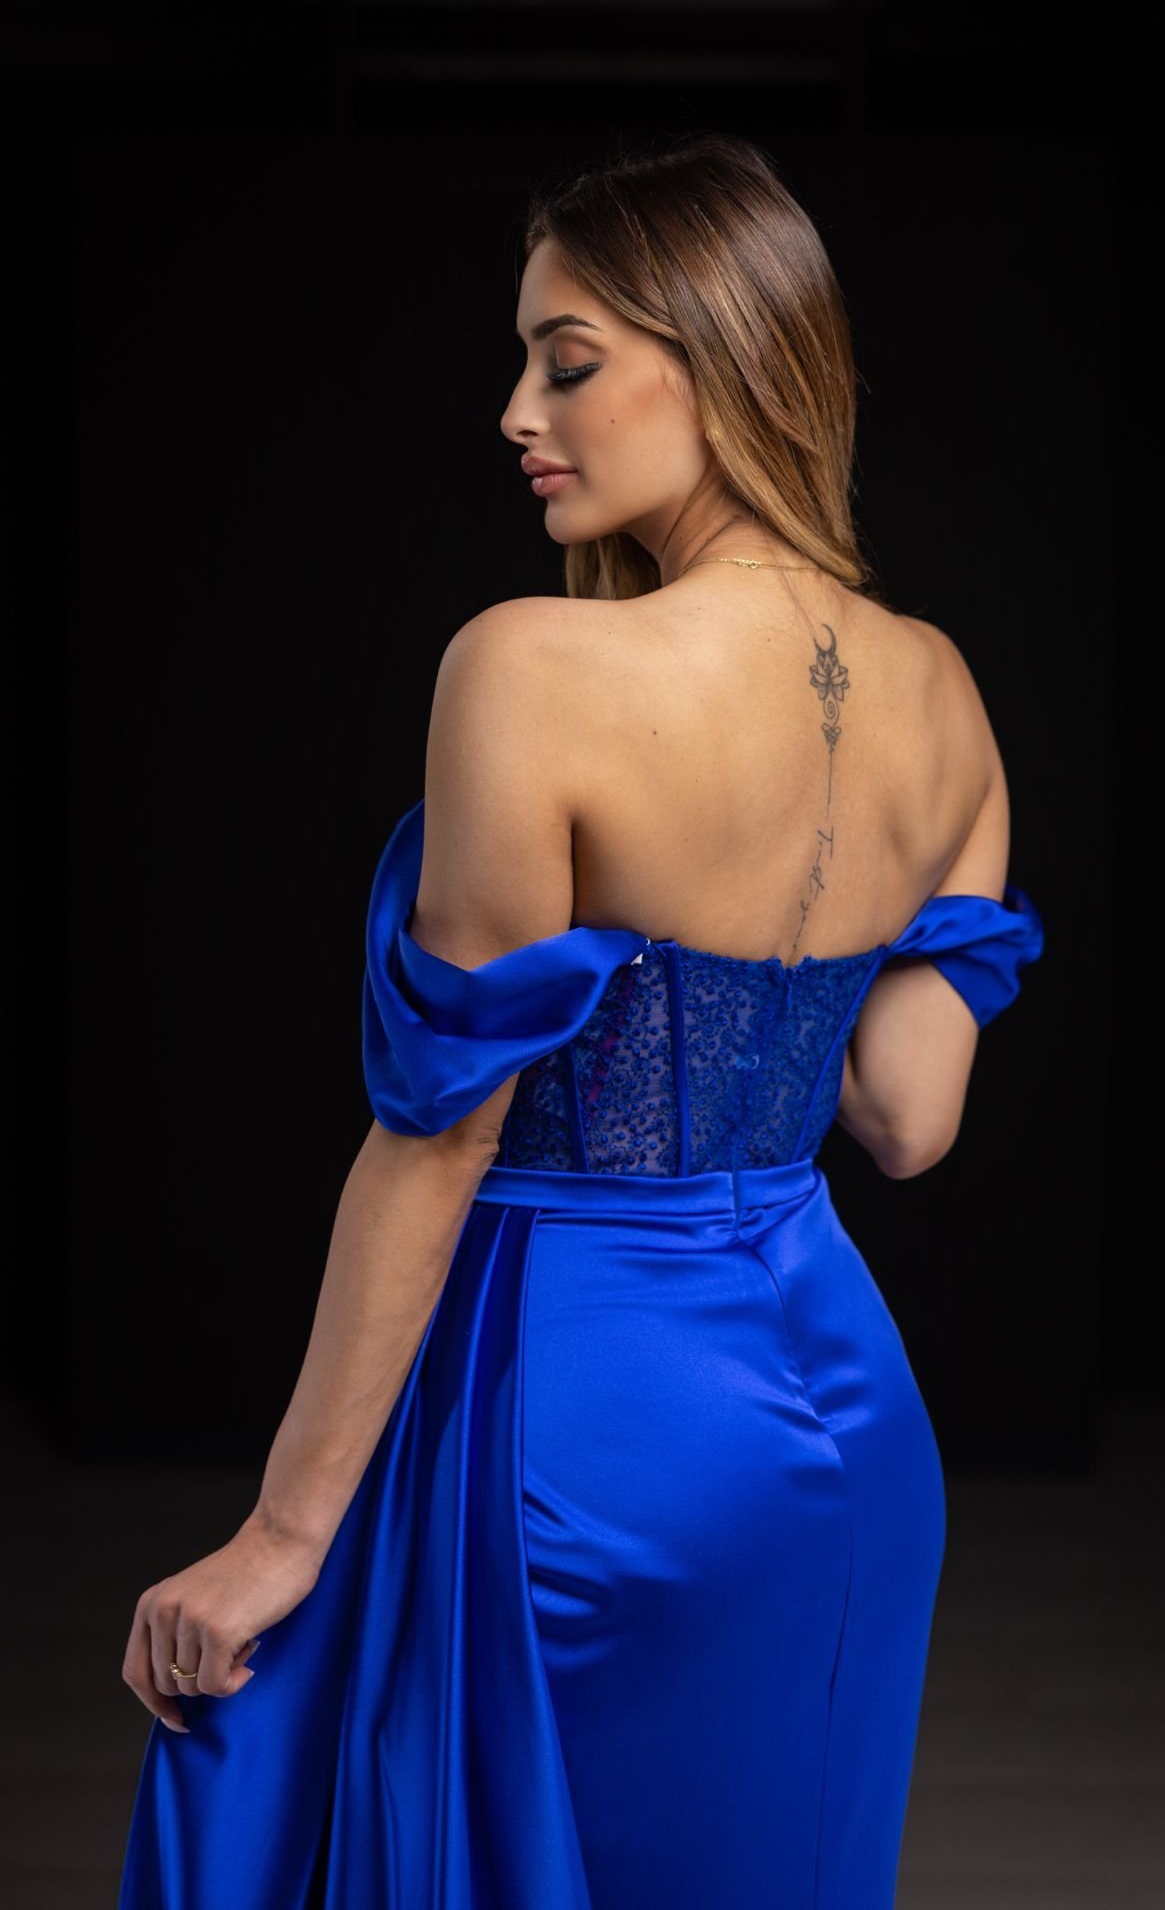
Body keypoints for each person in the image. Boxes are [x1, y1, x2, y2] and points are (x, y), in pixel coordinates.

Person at [116, 133, 1044, 1908]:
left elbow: (440, 1136)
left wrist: (282, 1534)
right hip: (849, 1427)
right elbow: (907, 1119)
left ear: (724, 357)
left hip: (590, 1419)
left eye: (567, 360)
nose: (516, 412)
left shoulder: (530, 669)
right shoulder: (941, 690)